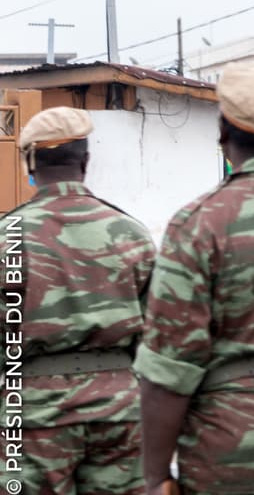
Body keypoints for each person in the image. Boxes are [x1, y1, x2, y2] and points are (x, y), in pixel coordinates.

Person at [135, 63, 254, 494]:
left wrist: (154, 477)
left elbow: (168, 366)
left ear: (222, 134)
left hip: (228, 453)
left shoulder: (197, 223)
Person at [4, 107, 155, 495]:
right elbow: (158, 333)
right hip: (121, 409)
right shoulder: (131, 233)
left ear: (30, 165)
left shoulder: (7, 236)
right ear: (85, 162)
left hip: (32, 409)